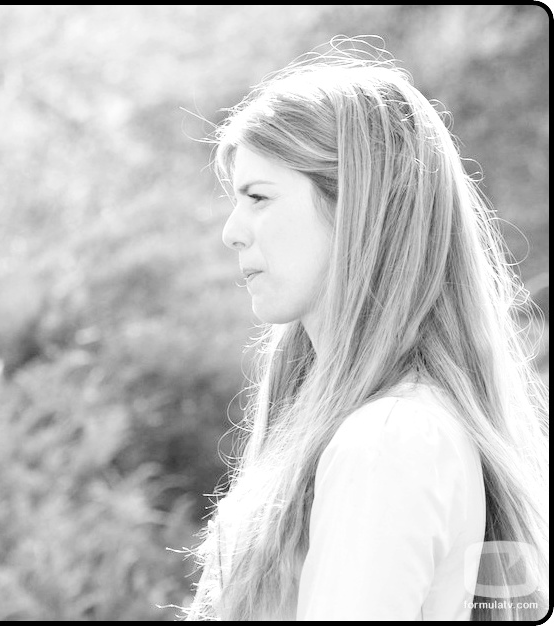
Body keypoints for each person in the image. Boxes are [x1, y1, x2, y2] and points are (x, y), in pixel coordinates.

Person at [186, 37, 549, 620]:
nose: (232, 231)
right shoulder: (388, 429)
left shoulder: (390, 441)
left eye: (258, 197)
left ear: (356, 207)